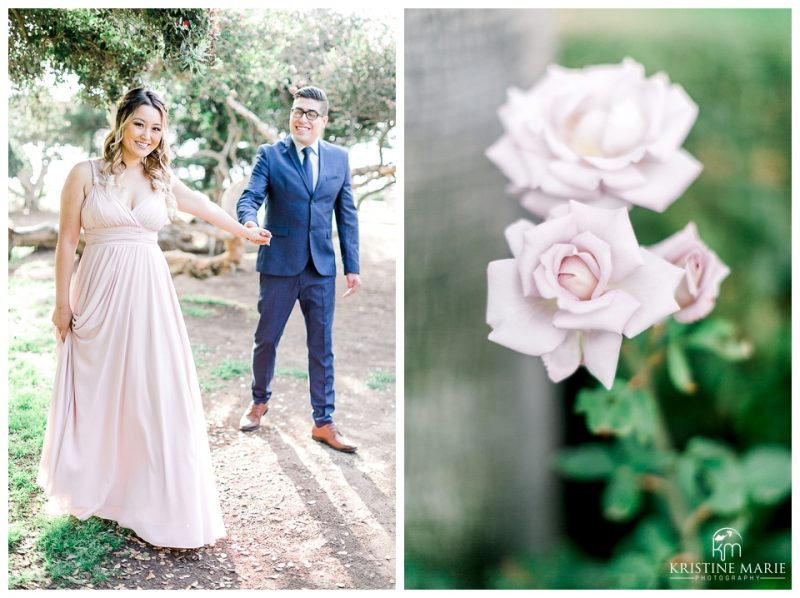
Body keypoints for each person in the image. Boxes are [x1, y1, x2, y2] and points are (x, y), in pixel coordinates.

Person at [37, 87, 271, 549]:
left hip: (148, 294)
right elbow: (67, 242)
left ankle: (147, 497)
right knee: (97, 386)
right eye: (139, 123)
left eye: (156, 128)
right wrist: (61, 303)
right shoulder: (83, 173)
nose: (147, 135)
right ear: (122, 121)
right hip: (97, 291)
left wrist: (243, 230)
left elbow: (203, 206)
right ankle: (98, 487)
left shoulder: (161, 179)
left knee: (150, 389)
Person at [236, 86, 361, 452]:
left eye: (310, 113)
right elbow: (251, 197)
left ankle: (324, 422)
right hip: (279, 265)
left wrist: (352, 266)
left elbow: (347, 215)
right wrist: (248, 222)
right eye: (297, 111)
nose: (302, 118)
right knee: (267, 339)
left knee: (322, 347)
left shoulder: (339, 159)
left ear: (323, 121)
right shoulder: (270, 155)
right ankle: (259, 402)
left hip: (321, 268)